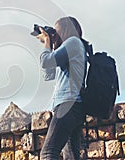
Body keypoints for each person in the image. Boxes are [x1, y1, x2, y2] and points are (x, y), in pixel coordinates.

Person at [37, 16, 87, 159]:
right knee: (71, 156)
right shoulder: (72, 47)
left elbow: (46, 61)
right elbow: (48, 75)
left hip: (67, 104)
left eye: (57, 30)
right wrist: (52, 45)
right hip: (74, 107)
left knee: (48, 153)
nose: (55, 34)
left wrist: (47, 41)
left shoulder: (73, 42)